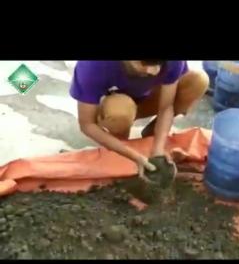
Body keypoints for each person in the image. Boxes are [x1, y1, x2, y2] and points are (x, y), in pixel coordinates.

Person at [70, 59, 209, 178]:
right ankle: (121, 141)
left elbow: (166, 106)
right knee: (120, 112)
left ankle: (152, 134)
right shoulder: (93, 65)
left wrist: (158, 150)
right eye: (144, 64)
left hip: (148, 98)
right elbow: (87, 125)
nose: (154, 71)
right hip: (115, 107)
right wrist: (134, 156)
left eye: (158, 64)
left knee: (198, 80)